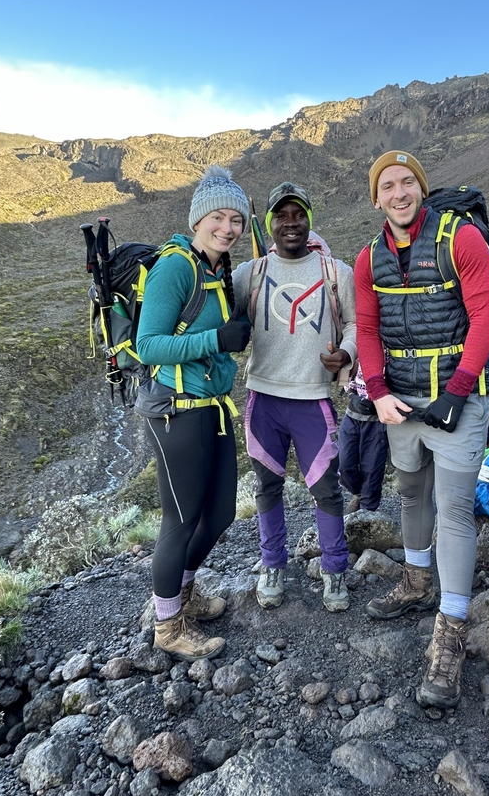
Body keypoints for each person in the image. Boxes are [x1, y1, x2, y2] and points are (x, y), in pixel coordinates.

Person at [354, 150, 489, 710]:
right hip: (401, 399)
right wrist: (378, 388)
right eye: (388, 185)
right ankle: (417, 583)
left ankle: (451, 633)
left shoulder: (459, 238)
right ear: (376, 198)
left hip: (457, 393)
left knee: (456, 508)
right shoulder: (369, 258)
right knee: (411, 491)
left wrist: (458, 392)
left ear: (422, 187)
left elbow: (486, 317)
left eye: (407, 182)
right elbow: (368, 327)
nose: (399, 192)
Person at [135, 166, 252, 661]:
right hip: (176, 412)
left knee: (221, 513)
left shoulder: (215, 269)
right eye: (218, 218)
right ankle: (167, 625)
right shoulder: (177, 267)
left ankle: (181, 594)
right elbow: (148, 344)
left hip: (213, 408)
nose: (228, 228)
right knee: (180, 522)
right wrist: (217, 338)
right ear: (198, 219)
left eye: (237, 221)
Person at [232, 182, 357, 613]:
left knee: (326, 491)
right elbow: (216, 316)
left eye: (298, 214)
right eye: (281, 215)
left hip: (312, 400)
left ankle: (335, 568)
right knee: (267, 488)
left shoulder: (335, 272)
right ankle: (271, 564)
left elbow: (358, 326)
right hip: (263, 399)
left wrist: (347, 353)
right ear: (269, 224)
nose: (291, 223)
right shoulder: (250, 274)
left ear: (309, 219)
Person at [339, 360, 389, 514]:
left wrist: (380, 401)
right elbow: (344, 368)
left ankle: (367, 513)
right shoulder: (356, 340)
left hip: (377, 419)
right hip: (353, 414)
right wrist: (352, 395)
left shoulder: (393, 343)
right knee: (344, 464)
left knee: (372, 469)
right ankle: (360, 495)